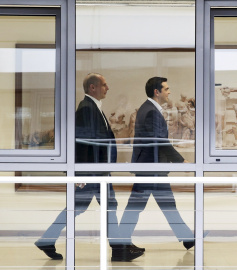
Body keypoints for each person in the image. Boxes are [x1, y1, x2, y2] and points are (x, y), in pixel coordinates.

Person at [35, 73, 144, 262]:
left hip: (98, 171)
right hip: (93, 172)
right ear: (92, 88)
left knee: (83, 207)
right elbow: (81, 143)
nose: (107, 88)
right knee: (107, 206)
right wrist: (80, 174)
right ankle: (119, 249)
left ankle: (48, 239)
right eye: (104, 84)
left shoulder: (95, 107)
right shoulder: (86, 108)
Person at [118, 77, 195, 250]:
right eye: (166, 89)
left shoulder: (149, 109)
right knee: (139, 207)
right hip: (150, 169)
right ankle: (120, 244)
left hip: (151, 167)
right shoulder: (151, 111)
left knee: (163, 206)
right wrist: (180, 160)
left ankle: (188, 238)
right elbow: (160, 141)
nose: (169, 92)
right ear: (157, 92)